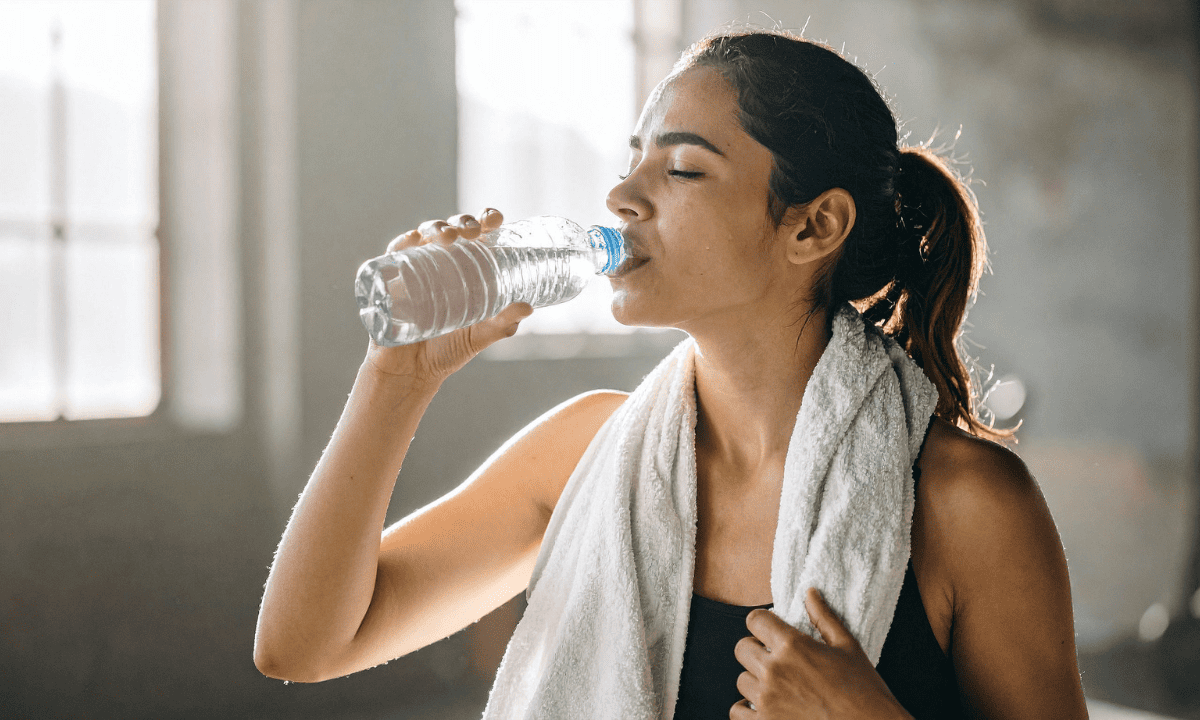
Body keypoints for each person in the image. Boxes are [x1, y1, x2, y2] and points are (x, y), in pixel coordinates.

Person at [254, 28, 1088, 719]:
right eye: (633, 159)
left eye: (682, 168)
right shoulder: (585, 452)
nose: (622, 194)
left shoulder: (967, 503)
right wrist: (395, 380)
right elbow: (305, 644)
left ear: (813, 227)